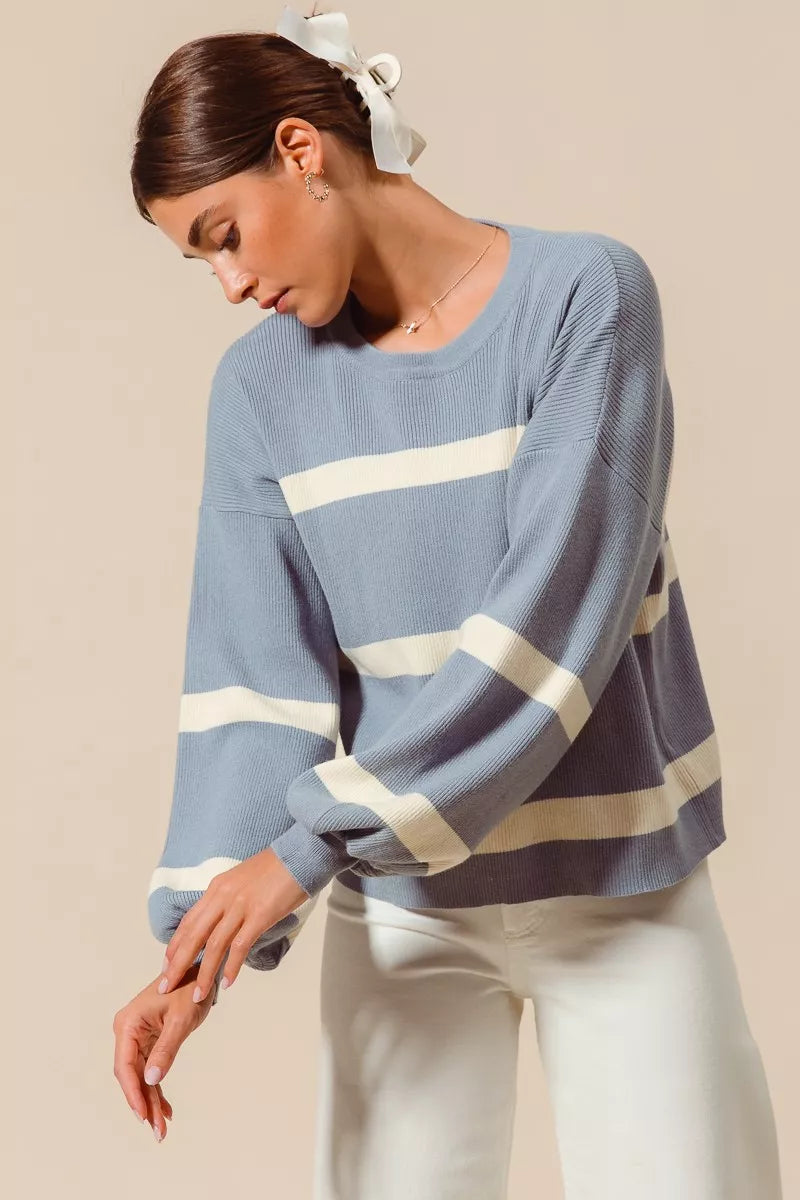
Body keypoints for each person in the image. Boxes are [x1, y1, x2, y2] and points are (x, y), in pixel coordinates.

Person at [112, 6, 784, 1197]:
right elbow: (252, 677)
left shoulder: (583, 298)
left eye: (223, 234)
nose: (228, 283)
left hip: (620, 892)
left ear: (300, 151)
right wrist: (195, 953)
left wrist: (306, 847)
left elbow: (555, 618)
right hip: (403, 915)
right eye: (199, 260)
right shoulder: (259, 392)